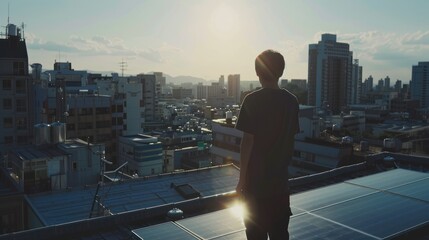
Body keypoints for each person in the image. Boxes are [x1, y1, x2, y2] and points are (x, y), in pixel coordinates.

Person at [235, 49, 300, 240]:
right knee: (280, 234)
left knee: (256, 236)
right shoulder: (291, 101)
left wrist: (241, 180)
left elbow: (247, 143)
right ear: (281, 72)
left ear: (257, 72)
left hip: (255, 188)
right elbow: (290, 137)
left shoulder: (252, 100)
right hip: (280, 186)